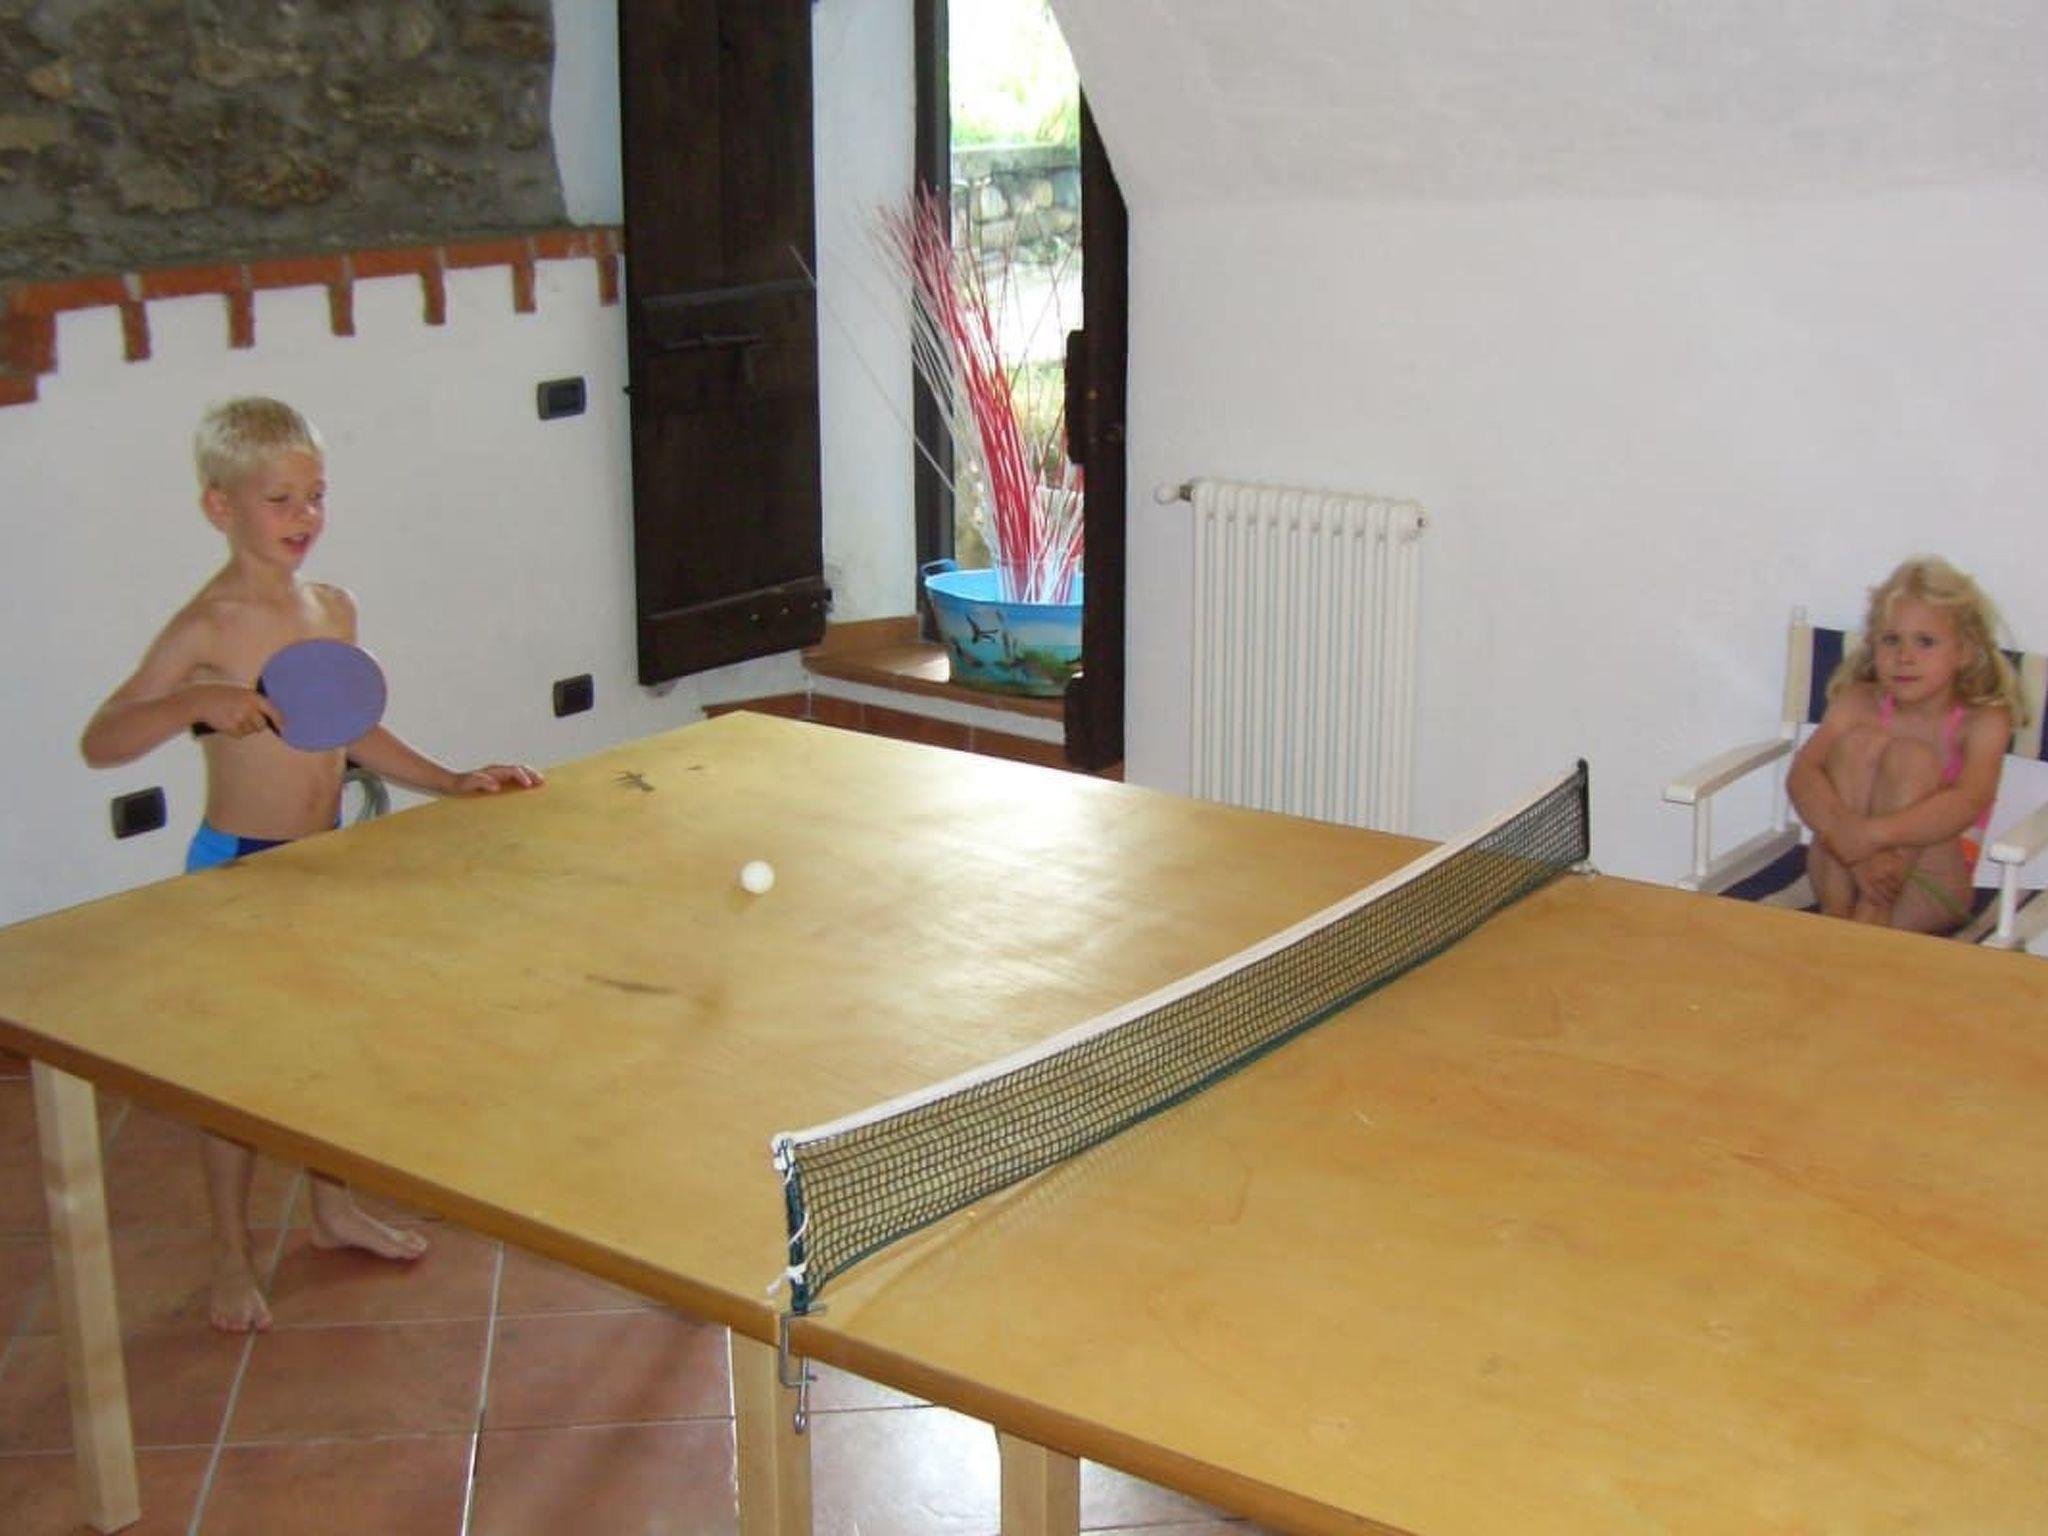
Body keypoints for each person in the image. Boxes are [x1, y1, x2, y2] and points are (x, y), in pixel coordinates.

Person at [80, 397, 543, 1332]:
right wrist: (196, 702)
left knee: (330, 1052)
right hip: (239, 870)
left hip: (327, 861)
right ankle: (231, 1255)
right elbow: (105, 739)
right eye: (281, 499)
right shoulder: (207, 626)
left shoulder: (332, 608)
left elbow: (350, 730)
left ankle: (333, 1211)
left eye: (316, 495)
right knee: (237, 1079)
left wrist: (451, 779)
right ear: (221, 508)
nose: (305, 516)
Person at [1788, 555, 2024, 934]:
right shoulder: (1856, 700)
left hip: (1930, 884)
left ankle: (1867, 921)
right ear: (1873, 644)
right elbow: (1802, 774)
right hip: (1842, 868)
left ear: (1964, 651)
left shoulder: (1982, 720)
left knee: (1911, 758)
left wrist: (1872, 835)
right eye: (1891, 639)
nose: (1904, 656)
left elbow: (1968, 801)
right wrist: (1850, 842)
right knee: (1856, 746)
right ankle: (1838, 919)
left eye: (1925, 642)